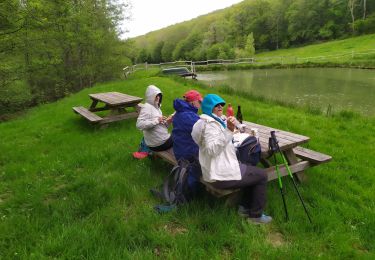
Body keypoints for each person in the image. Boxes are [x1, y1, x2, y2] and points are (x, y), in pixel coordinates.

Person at [191, 94, 272, 224]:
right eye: (216, 105)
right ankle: (256, 216)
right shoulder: (210, 126)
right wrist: (228, 130)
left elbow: (210, 142)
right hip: (220, 175)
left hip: (213, 169)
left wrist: (228, 126)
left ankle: (244, 208)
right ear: (208, 107)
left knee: (249, 168)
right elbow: (212, 150)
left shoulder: (204, 122)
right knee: (262, 175)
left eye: (221, 105)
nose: (220, 107)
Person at [172, 90, 203, 195]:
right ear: (193, 103)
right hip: (187, 155)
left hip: (179, 149)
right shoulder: (189, 116)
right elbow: (205, 133)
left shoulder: (180, 111)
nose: (201, 104)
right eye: (200, 102)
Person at [136, 85, 173, 152]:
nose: (158, 98)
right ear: (151, 96)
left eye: (159, 95)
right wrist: (157, 121)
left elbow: (159, 127)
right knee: (181, 136)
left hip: (156, 142)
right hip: (159, 144)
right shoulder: (147, 108)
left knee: (178, 136)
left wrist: (168, 121)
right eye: (156, 95)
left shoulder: (156, 107)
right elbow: (139, 125)